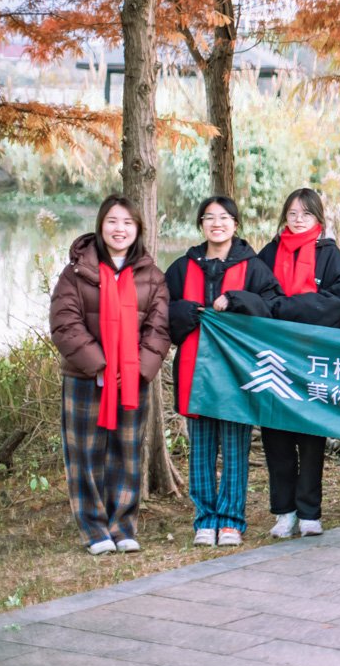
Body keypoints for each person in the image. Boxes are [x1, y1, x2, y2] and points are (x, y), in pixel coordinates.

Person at [48, 196, 170, 555]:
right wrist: (100, 365)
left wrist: (137, 369)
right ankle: (94, 529)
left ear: (138, 229)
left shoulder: (152, 276)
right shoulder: (75, 273)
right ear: (101, 226)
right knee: (84, 454)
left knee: (127, 452)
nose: (120, 229)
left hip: (132, 380)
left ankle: (123, 526)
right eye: (113, 221)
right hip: (85, 378)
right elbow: (64, 323)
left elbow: (159, 329)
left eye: (128, 223)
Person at [165, 196, 282, 547]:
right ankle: (205, 518)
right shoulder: (182, 268)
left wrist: (236, 299)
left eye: (224, 217)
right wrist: (184, 312)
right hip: (195, 370)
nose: (217, 224)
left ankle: (231, 520)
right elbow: (162, 312)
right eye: (209, 217)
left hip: (236, 371)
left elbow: (272, 308)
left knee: (234, 447)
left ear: (235, 223)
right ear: (201, 224)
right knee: (201, 447)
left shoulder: (253, 267)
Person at [257, 188, 340, 540]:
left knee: (311, 437)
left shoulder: (329, 255)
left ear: (318, 218)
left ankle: (310, 512)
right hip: (276, 358)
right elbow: (261, 298)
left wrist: (287, 308)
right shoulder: (269, 253)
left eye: (306, 214)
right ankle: (284, 511)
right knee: (276, 435)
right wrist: (295, 306)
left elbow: (337, 300)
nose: (298, 220)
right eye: (293, 214)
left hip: (314, 358)